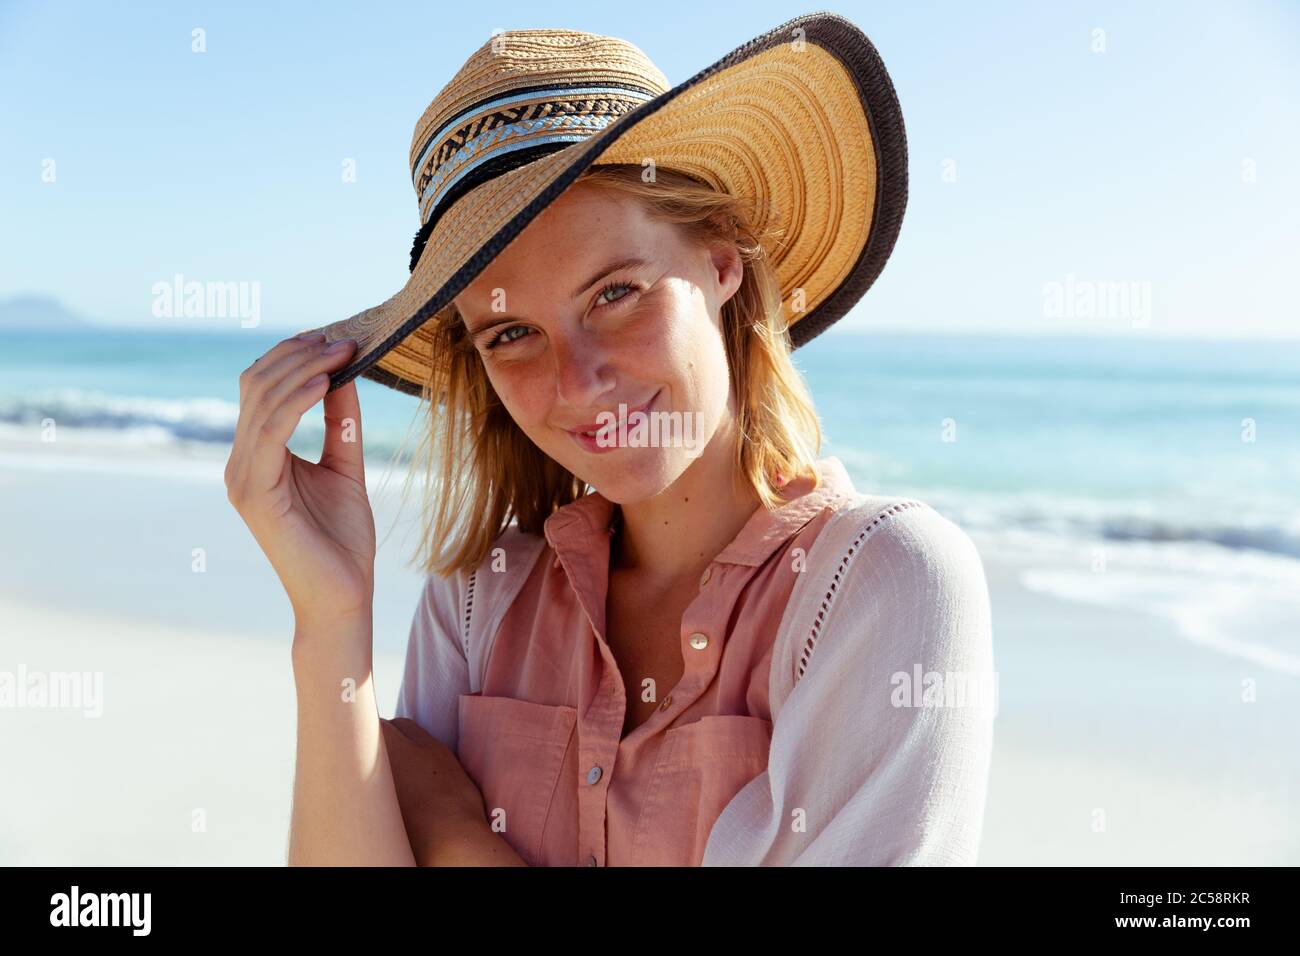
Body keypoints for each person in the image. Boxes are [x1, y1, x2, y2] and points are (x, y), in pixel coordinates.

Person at [224, 16, 994, 866]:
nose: (577, 380)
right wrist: (332, 620)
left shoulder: (881, 584)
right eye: (512, 334)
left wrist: (453, 836)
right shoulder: (479, 605)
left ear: (722, 260)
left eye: (614, 292)